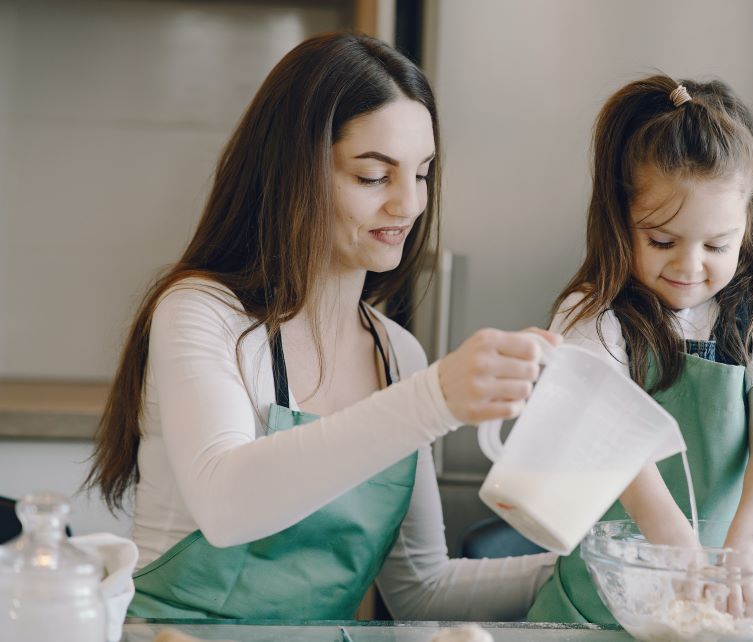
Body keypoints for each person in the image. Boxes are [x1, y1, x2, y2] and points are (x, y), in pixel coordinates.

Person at [83, 32, 561, 621]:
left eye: (422, 174)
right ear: (293, 173)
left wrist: (587, 569)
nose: (409, 205)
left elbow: (421, 590)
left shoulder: (397, 354)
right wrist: (433, 400)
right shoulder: (203, 312)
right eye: (372, 176)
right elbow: (228, 503)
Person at [526, 75, 753, 624]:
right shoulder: (592, 315)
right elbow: (614, 446)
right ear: (621, 220)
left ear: (748, 228)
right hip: (595, 608)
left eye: (717, 245)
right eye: (662, 241)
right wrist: (675, 552)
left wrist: (749, 547)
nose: (690, 266)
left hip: (717, 599)